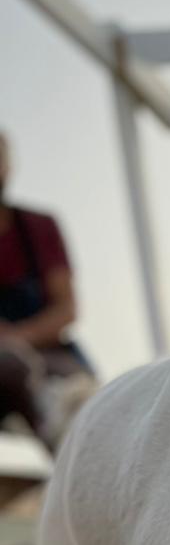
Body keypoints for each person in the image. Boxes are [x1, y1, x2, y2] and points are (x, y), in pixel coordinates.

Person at [0, 131, 92, 445]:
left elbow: (66, 309)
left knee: (83, 400)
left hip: (47, 357)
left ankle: (73, 464)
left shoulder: (38, 227)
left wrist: (16, 339)